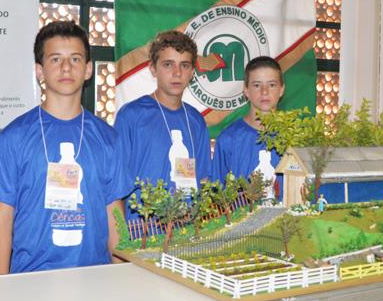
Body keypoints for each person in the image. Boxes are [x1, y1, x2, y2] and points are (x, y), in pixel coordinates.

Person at [0, 21, 130, 274]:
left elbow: (115, 218)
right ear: (39, 71)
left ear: (88, 70)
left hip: (95, 278)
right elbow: (3, 218)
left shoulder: (108, 139)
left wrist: (122, 278)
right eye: (55, 59)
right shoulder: (14, 137)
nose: (66, 67)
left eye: (75, 59)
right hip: (32, 279)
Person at [114, 30, 212, 225]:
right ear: (153, 68)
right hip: (141, 231)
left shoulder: (196, 120)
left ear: (192, 71)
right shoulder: (131, 116)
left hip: (186, 232)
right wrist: (121, 238)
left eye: (184, 65)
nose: (177, 73)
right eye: (168, 64)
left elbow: (203, 181)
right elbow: (116, 185)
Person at [212, 56, 284, 199]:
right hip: (242, 213)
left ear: (281, 90)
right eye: (257, 85)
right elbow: (217, 195)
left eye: (272, 85)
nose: (264, 91)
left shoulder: (294, 138)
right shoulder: (228, 139)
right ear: (246, 90)